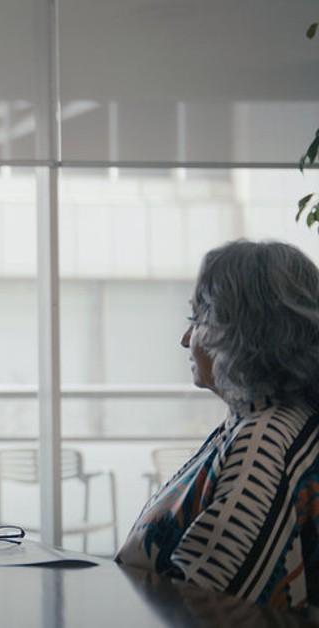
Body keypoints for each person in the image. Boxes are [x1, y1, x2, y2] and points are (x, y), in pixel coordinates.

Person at [116, 240, 319, 611]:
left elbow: (201, 608)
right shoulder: (260, 420)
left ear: (245, 333)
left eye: (197, 320)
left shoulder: (264, 443)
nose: (184, 339)